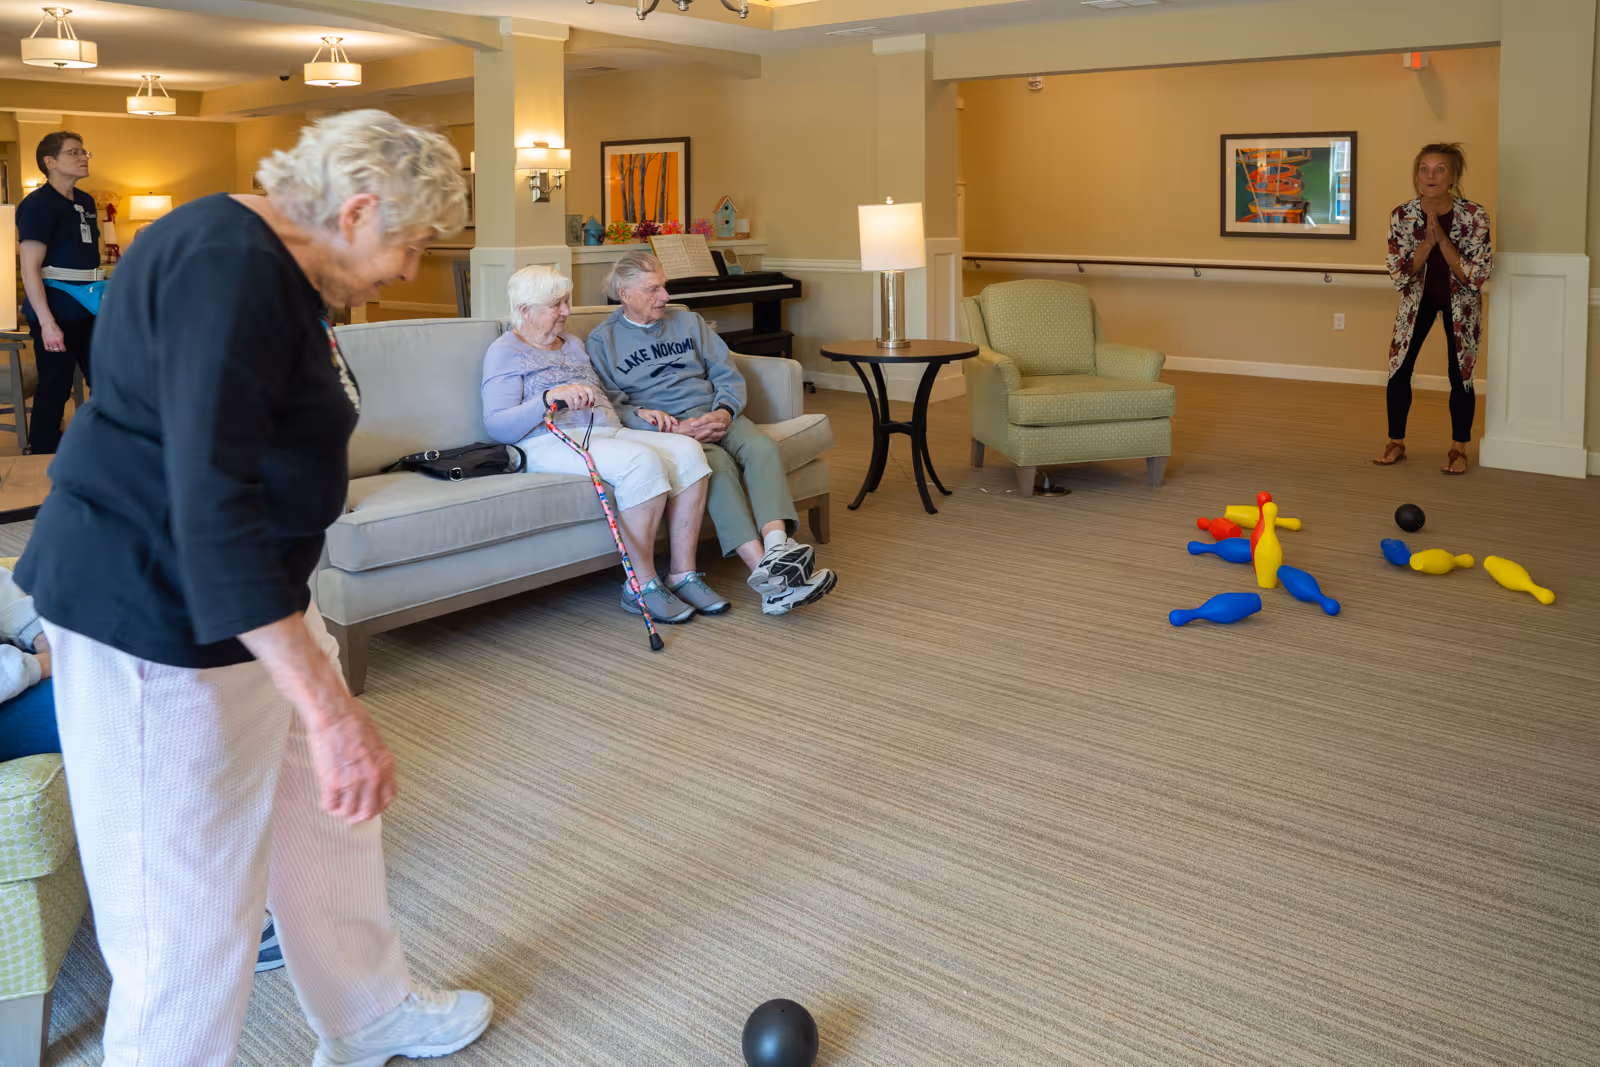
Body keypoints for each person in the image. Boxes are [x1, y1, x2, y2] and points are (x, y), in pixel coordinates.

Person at [15, 110, 491, 1065]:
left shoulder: (272, 256)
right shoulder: (224, 270)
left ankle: (366, 1015)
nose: (408, 269)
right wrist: (330, 707)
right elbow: (209, 508)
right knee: (183, 924)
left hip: (255, 606)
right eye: (412, 244)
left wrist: (313, 686)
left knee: (331, 820)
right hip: (155, 621)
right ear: (357, 210)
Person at [586, 251, 836, 616]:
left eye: (664, 287)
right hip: (673, 431)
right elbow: (613, 406)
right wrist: (672, 427)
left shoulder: (689, 323)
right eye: (653, 289)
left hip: (716, 413)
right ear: (624, 293)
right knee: (716, 470)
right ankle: (769, 578)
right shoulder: (602, 341)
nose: (665, 297)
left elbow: (725, 372)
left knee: (761, 448)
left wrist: (724, 410)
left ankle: (778, 548)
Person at [482, 264, 721, 621]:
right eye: (556, 305)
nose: (566, 312)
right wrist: (548, 397)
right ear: (524, 311)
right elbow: (497, 426)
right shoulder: (505, 351)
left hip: (606, 431)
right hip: (547, 442)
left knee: (687, 450)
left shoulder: (574, 344)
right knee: (641, 462)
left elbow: (604, 398)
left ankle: (683, 574)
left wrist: (640, 414)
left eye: (566, 302)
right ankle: (640, 585)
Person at [1375, 142, 1492, 475]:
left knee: (1461, 376)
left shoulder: (1475, 216)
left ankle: (1459, 448)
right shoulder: (1402, 216)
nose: (1430, 175)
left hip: (1461, 306)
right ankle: (1395, 441)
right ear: (1416, 174)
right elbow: (1399, 271)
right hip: (1417, 303)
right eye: (1424, 168)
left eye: (1440, 168)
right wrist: (1426, 242)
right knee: (1399, 370)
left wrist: (1441, 239)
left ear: (1453, 176)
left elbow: (1475, 275)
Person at [16, 131, 101, 454]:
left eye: (84, 151)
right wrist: (47, 322)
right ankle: (43, 451)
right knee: (56, 385)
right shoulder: (37, 205)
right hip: (56, 308)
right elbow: (30, 269)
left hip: (91, 305)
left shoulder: (86, 202)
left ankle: (103, 444)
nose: (84, 157)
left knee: (106, 379)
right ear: (50, 162)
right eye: (74, 152)